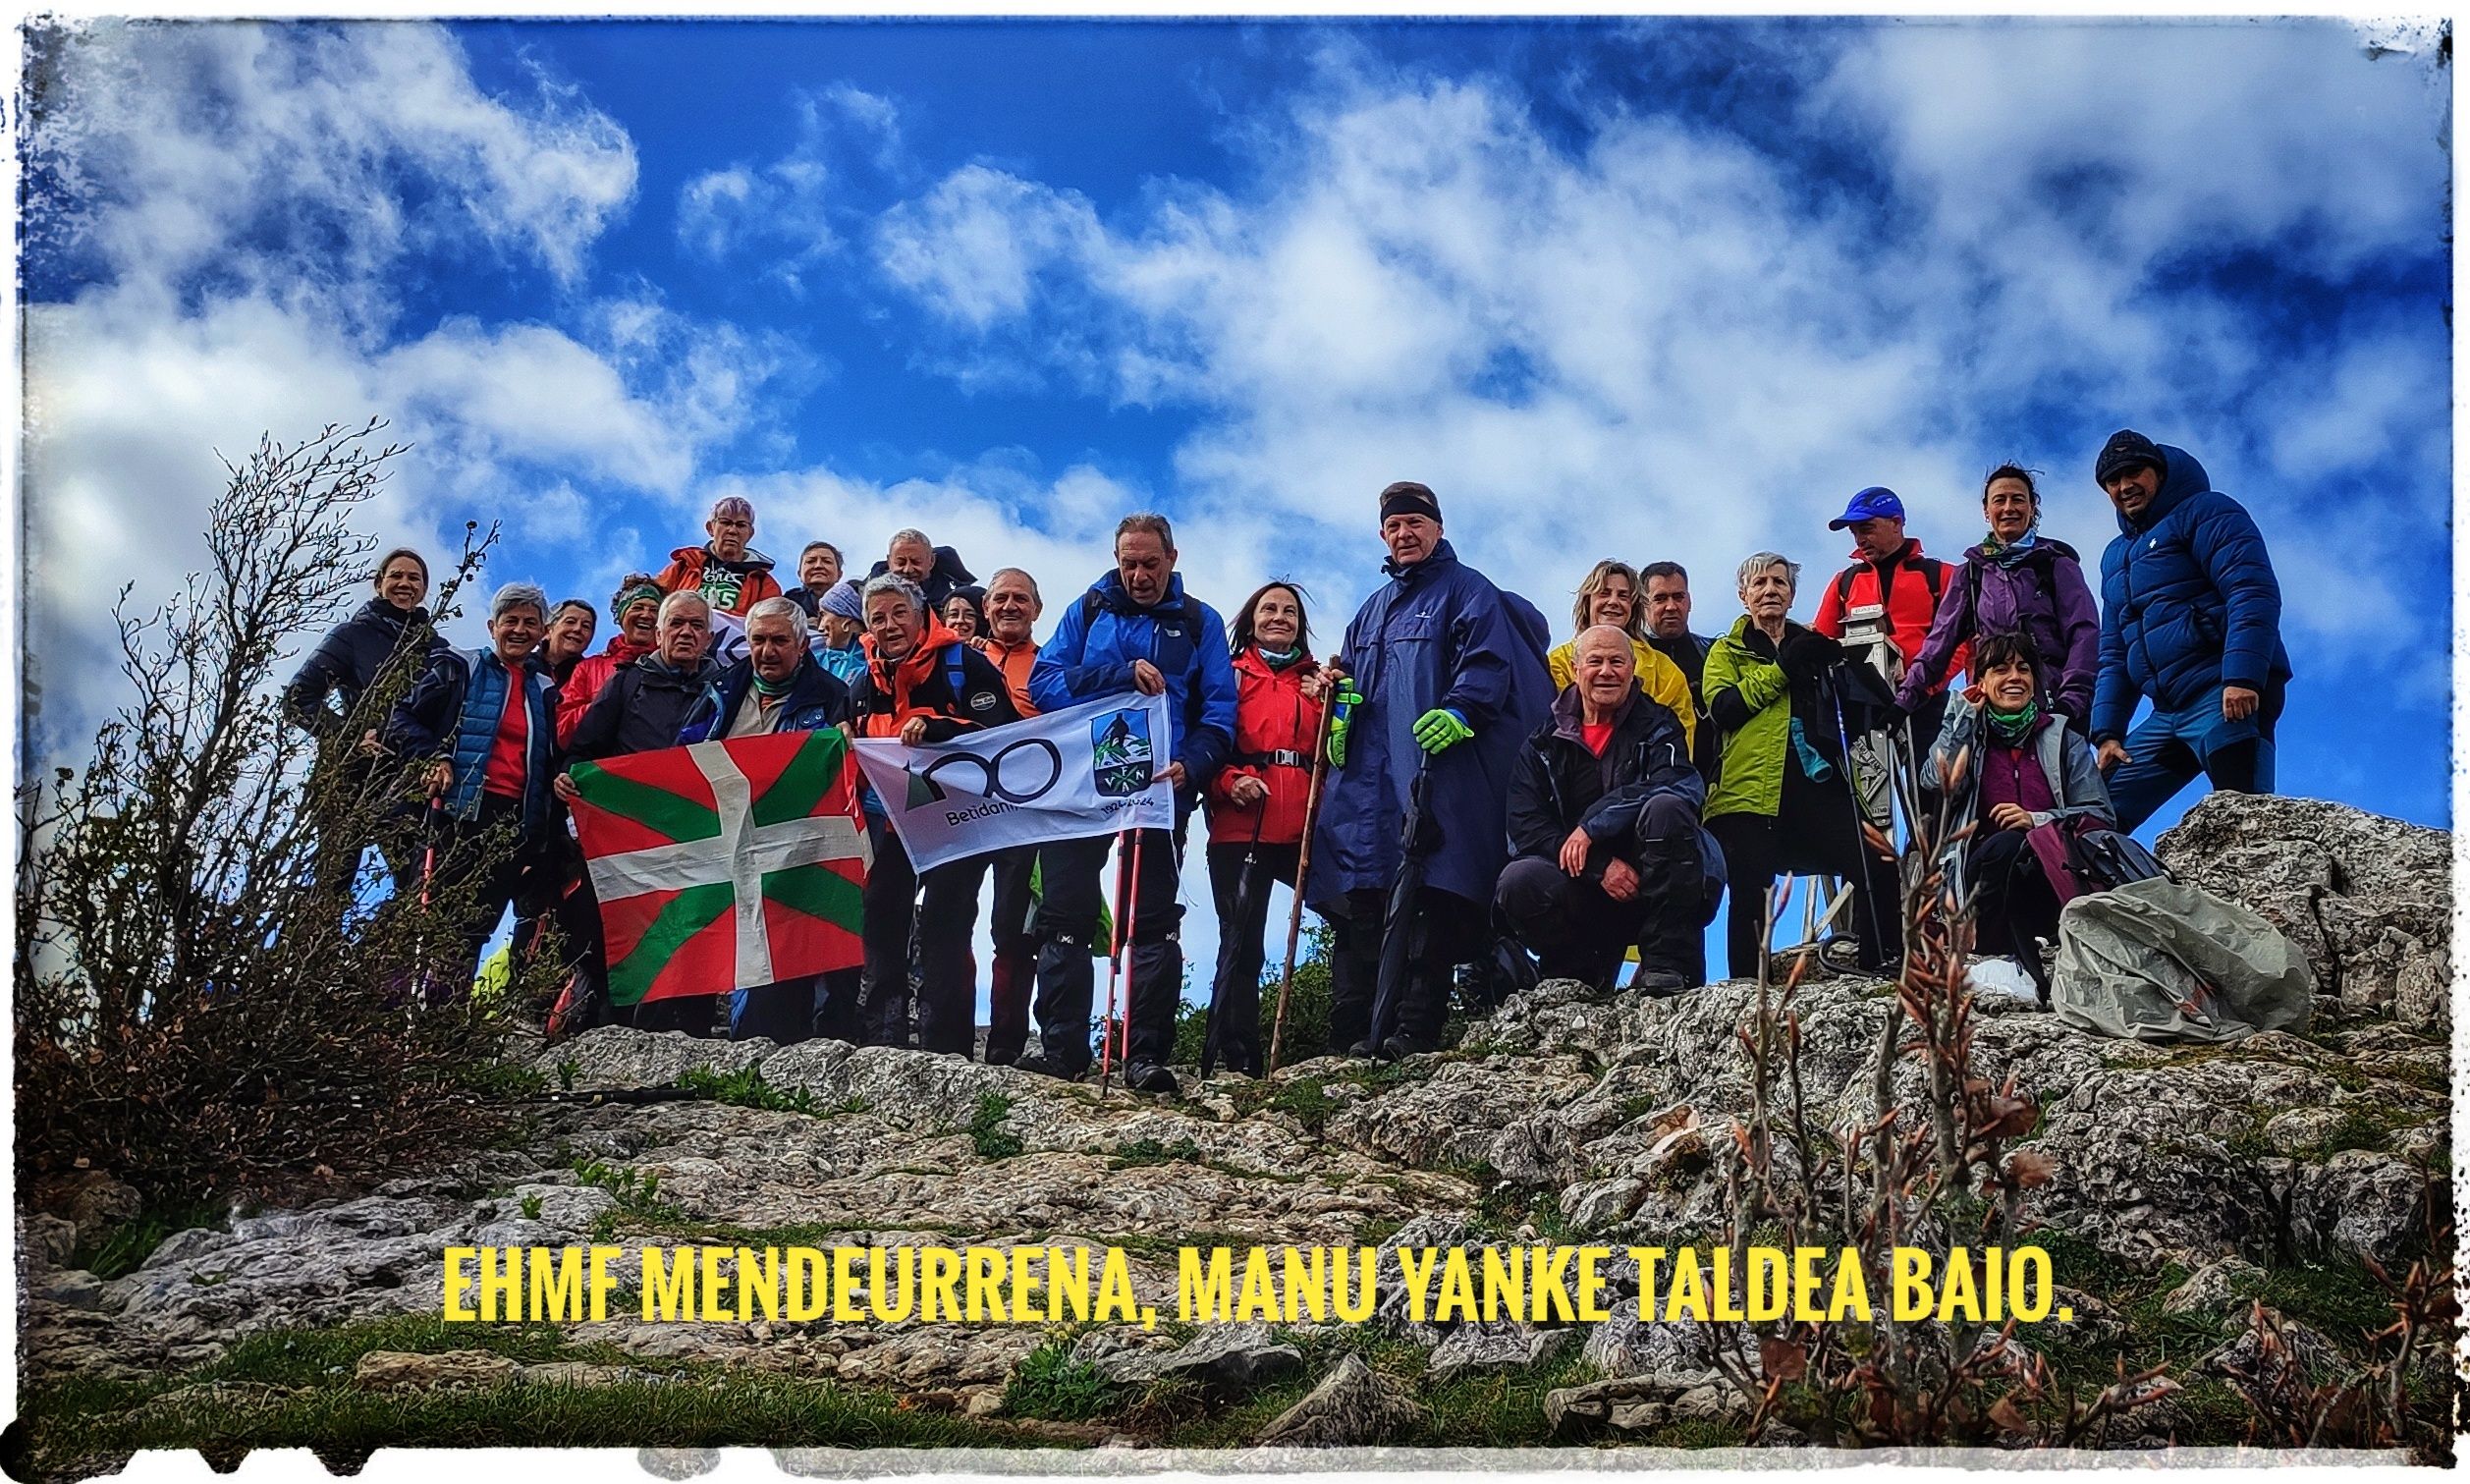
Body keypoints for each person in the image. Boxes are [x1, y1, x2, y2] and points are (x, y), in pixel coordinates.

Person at [1307, 480, 1554, 1061]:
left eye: (1415, 523)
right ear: (1383, 537)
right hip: (1367, 785)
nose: (1404, 534)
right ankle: (1353, 1033)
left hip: (1434, 773)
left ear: (1437, 528)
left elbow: (1488, 664)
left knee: (1432, 896)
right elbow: (1355, 686)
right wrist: (1338, 708)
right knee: (1363, 898)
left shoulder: (1468, 591)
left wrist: (1461, 709)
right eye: (1394, 527)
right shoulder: (1370, 610)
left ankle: (1414, 1028)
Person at [1028, 514, 1239, 1095]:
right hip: (1081, 782)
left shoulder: (1200, 622)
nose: (1139, 574)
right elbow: (1044, 682)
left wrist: (1192, 767)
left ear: (1173, 557)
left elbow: (1219, 714)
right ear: (1116, 558)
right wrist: (1119, 675)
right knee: (1065, 913)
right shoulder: (1089, 608)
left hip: (1161, 788)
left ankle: (1143, 1055)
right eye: (1129, 562)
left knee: (1151, 921)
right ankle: (1062, 1051)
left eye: (1150, 562)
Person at [844, 575, 1020, 1056]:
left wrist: (940, 728)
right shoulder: (861, 682)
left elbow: (1005, 734)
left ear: (922, 615)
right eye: (877, 617)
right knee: (881, 917)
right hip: (891, 821)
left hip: (957, 821)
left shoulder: (966, 665)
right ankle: (885, 1038)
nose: (889, 625)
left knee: (945, 925)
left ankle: (947, 1049)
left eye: (899, 613)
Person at [1702, 553, 1898, 981]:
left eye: (1779, 583)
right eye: (1759, 584)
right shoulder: (1726, 649)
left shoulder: (1813, 645)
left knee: (1876, 861)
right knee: (1752, 892)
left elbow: (1853, 704)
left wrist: (1857, 678)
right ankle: (1746, 990)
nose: (1770, 590)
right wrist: (1783, 669)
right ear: (1743, 596)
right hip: (1746, 790)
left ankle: (1881, 965)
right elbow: (1724, 708)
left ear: (1792, 595)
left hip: (1817, 780)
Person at [2087, 431, 2293, 833]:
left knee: (2246, 821)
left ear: (2158, 472)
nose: (2125, 486)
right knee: (2094, 816)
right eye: (2113, 480)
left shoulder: (2204, 510)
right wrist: (2108, 733)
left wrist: (2242, 677)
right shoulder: (2114, 556)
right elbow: (2113, 651)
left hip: (2225, 692)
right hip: (2166, 714)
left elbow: (2250, 589)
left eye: (2134, 472)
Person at [1497, 626, 1720, 992]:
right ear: (1574, 668)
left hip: (1655, 883)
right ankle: (1573, 972)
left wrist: (1592, 826)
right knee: (1519, 881)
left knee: (1667, 809)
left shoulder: (1660, 724)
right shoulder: (1542, 743)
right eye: (1595, 661)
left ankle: (1667, 964)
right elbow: (1525, 826)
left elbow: (1681, 784)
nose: (1606, 671)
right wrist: (1599, 867)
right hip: (1582, 888)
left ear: (1632, 669)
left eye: (1617, 661)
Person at [675, 596, 854, 1043]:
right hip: (722, 840)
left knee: (780, 954)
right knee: (703, 943)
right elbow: (682, 753)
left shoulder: (832, 695)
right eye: (758, 639)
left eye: (779, 640)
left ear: (801, 644)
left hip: (790, 847)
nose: (767, 650)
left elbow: (836, 777)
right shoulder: (721, 688)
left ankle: (769, 1048)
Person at [558, 591, 726, 1033]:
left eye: (695, 626)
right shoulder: (626, 683)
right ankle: (599, 1034)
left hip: (694, 838)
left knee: (688, 936)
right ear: (658, 633)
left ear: (709, 636)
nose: (686, 633)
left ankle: (689, 1038)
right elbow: (585, 749)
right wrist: (567, 777)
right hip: (627, 839)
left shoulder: (725, 691)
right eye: (677, 625)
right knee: (616, 938)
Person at [383, 582, 561, 995]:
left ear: (542, 632)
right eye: (510, 621)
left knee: (475, 926)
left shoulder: (545, 690)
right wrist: (433, 756)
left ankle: (443, 1021)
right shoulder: (459, 667)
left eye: (529, 623)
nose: (519, 630)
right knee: (422, 915)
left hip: (508, 823)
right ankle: (386, 1014)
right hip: (454, 811)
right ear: (491, 626)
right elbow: (402, 717)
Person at [1920, 632, 2116, 1005]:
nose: (2014, 677)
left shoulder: (2062, 738)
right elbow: (1935, 781)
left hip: (2055, 874)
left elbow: (2100, 814)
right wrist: (1960, 719)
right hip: (1984, 882)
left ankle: (2035, 959)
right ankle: (2001, 956)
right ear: (1982, 683)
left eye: (2023, 669)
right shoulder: (1972, 738)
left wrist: (2037, 819)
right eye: (2000, 669)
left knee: (2018, 843)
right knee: (2004, 847)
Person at [1200, 580, 1326, 1077]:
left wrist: (1334, 699)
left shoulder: (1319, 683)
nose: (1280, 617)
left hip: (1304, 831)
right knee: (1242, 942)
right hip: (1240, 826)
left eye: (1290, 611)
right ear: (1250, 620)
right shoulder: (1228, 677)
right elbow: (1206, 741)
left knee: (1352, 913)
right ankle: (1239, 1059)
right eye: (1269, 609)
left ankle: (1347, 1033)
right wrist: (1230, 781)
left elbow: (1339, 751)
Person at [285, 545, 445, 892]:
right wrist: (350, 737)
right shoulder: (352, 635)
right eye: (396, 576)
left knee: (416, 887)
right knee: (333, 883)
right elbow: (298, 698)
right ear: (379, 584)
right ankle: (315, 945)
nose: (405, 583)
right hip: (349, 775)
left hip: (407, 779)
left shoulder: (435, 647)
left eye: (414, 578)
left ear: (424, 589)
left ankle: (375, 947)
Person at [1896, 465, 2101, 730]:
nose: (2008, 508)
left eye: (2018, 499)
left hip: (2055, 709)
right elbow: (1939, 644)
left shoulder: (2056, 564)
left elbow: (2084, 634)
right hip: (1992, 710)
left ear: (2032, 507)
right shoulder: (1971, 573)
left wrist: (2071, 702)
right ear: (1986, 511)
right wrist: (1903, 701)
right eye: (1999, 500)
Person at [1812, 486, 1963, 761]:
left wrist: (1926, 683)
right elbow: (1821, 645)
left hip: (1925, 703)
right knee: (1865, 798)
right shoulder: (1843, 582)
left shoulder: (1941, 576)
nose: (1859, 539)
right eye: (1854, 532)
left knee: (1932, 793)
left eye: (1866, 528)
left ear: (1896, 523)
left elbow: (1965, 641)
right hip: (1861, 706)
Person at [973, 567, 1046, 1068]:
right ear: (985, 608)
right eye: (1000, 598)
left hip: (1024, 813)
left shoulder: (1051, 667)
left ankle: (1005, 1043)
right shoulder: (961, 660)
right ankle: (948, 1038)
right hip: (962, 808)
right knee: (947, 921)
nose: (1009, 606)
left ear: (1037, 610)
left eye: (1021, 598)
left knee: (1014, 930)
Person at [1544, 560, 1697, 756]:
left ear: (1633, 607)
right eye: (1604, 593)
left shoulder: (1664, 671)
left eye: (1623, 596)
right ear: (1587, 602)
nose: (1614, 602)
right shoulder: (1559, 662)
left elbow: (1680, 744)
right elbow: (1547, 726)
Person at [557, 576, 661, 747]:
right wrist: (606, 705)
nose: (646, 615)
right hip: (601, 767)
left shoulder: (673, 667)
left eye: (654, 610)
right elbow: (562, 728)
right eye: (637, 607)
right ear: (621, 616)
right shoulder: (588, 668)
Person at [1641, 561, 1720, 780]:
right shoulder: (1629, 659)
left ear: (1689, 601)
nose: (1671, 606)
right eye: (1660, 598)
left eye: (1678, 597)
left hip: (1714, 782)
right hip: (1652, 781)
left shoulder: (1714, 652)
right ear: (1643, 605)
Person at [655, 495, 783, 618]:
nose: (733, 530)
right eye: (725, 522)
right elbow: (652, 600)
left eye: (741, 525)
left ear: (750, 533)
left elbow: (770, 624)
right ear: (710, 528)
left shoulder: (764, 583)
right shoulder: (684, 565)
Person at [868, 528, 975, 611]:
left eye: (916, 562)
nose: (908, 570)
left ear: (931, 561)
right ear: (889, 562)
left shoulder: (951, 602)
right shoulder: (870, 595)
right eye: (901, 563)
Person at [809, 578, 870, 687]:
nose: (820, 627)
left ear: (846, 622)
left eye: (824, 615)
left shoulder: (873, 664)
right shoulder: (812, 659)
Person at [537, 600, 597, 687]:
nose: (577, 629)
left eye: (586, 626)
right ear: (547, 631)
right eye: (570, 622)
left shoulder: (593, 675)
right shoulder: (524, 665)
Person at [783, 541, 845, 618]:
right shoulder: (788, 601)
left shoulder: (852, 603)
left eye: (827, 561)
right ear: (799, 573)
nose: (818, 566)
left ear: (839, 574)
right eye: (810, 561)